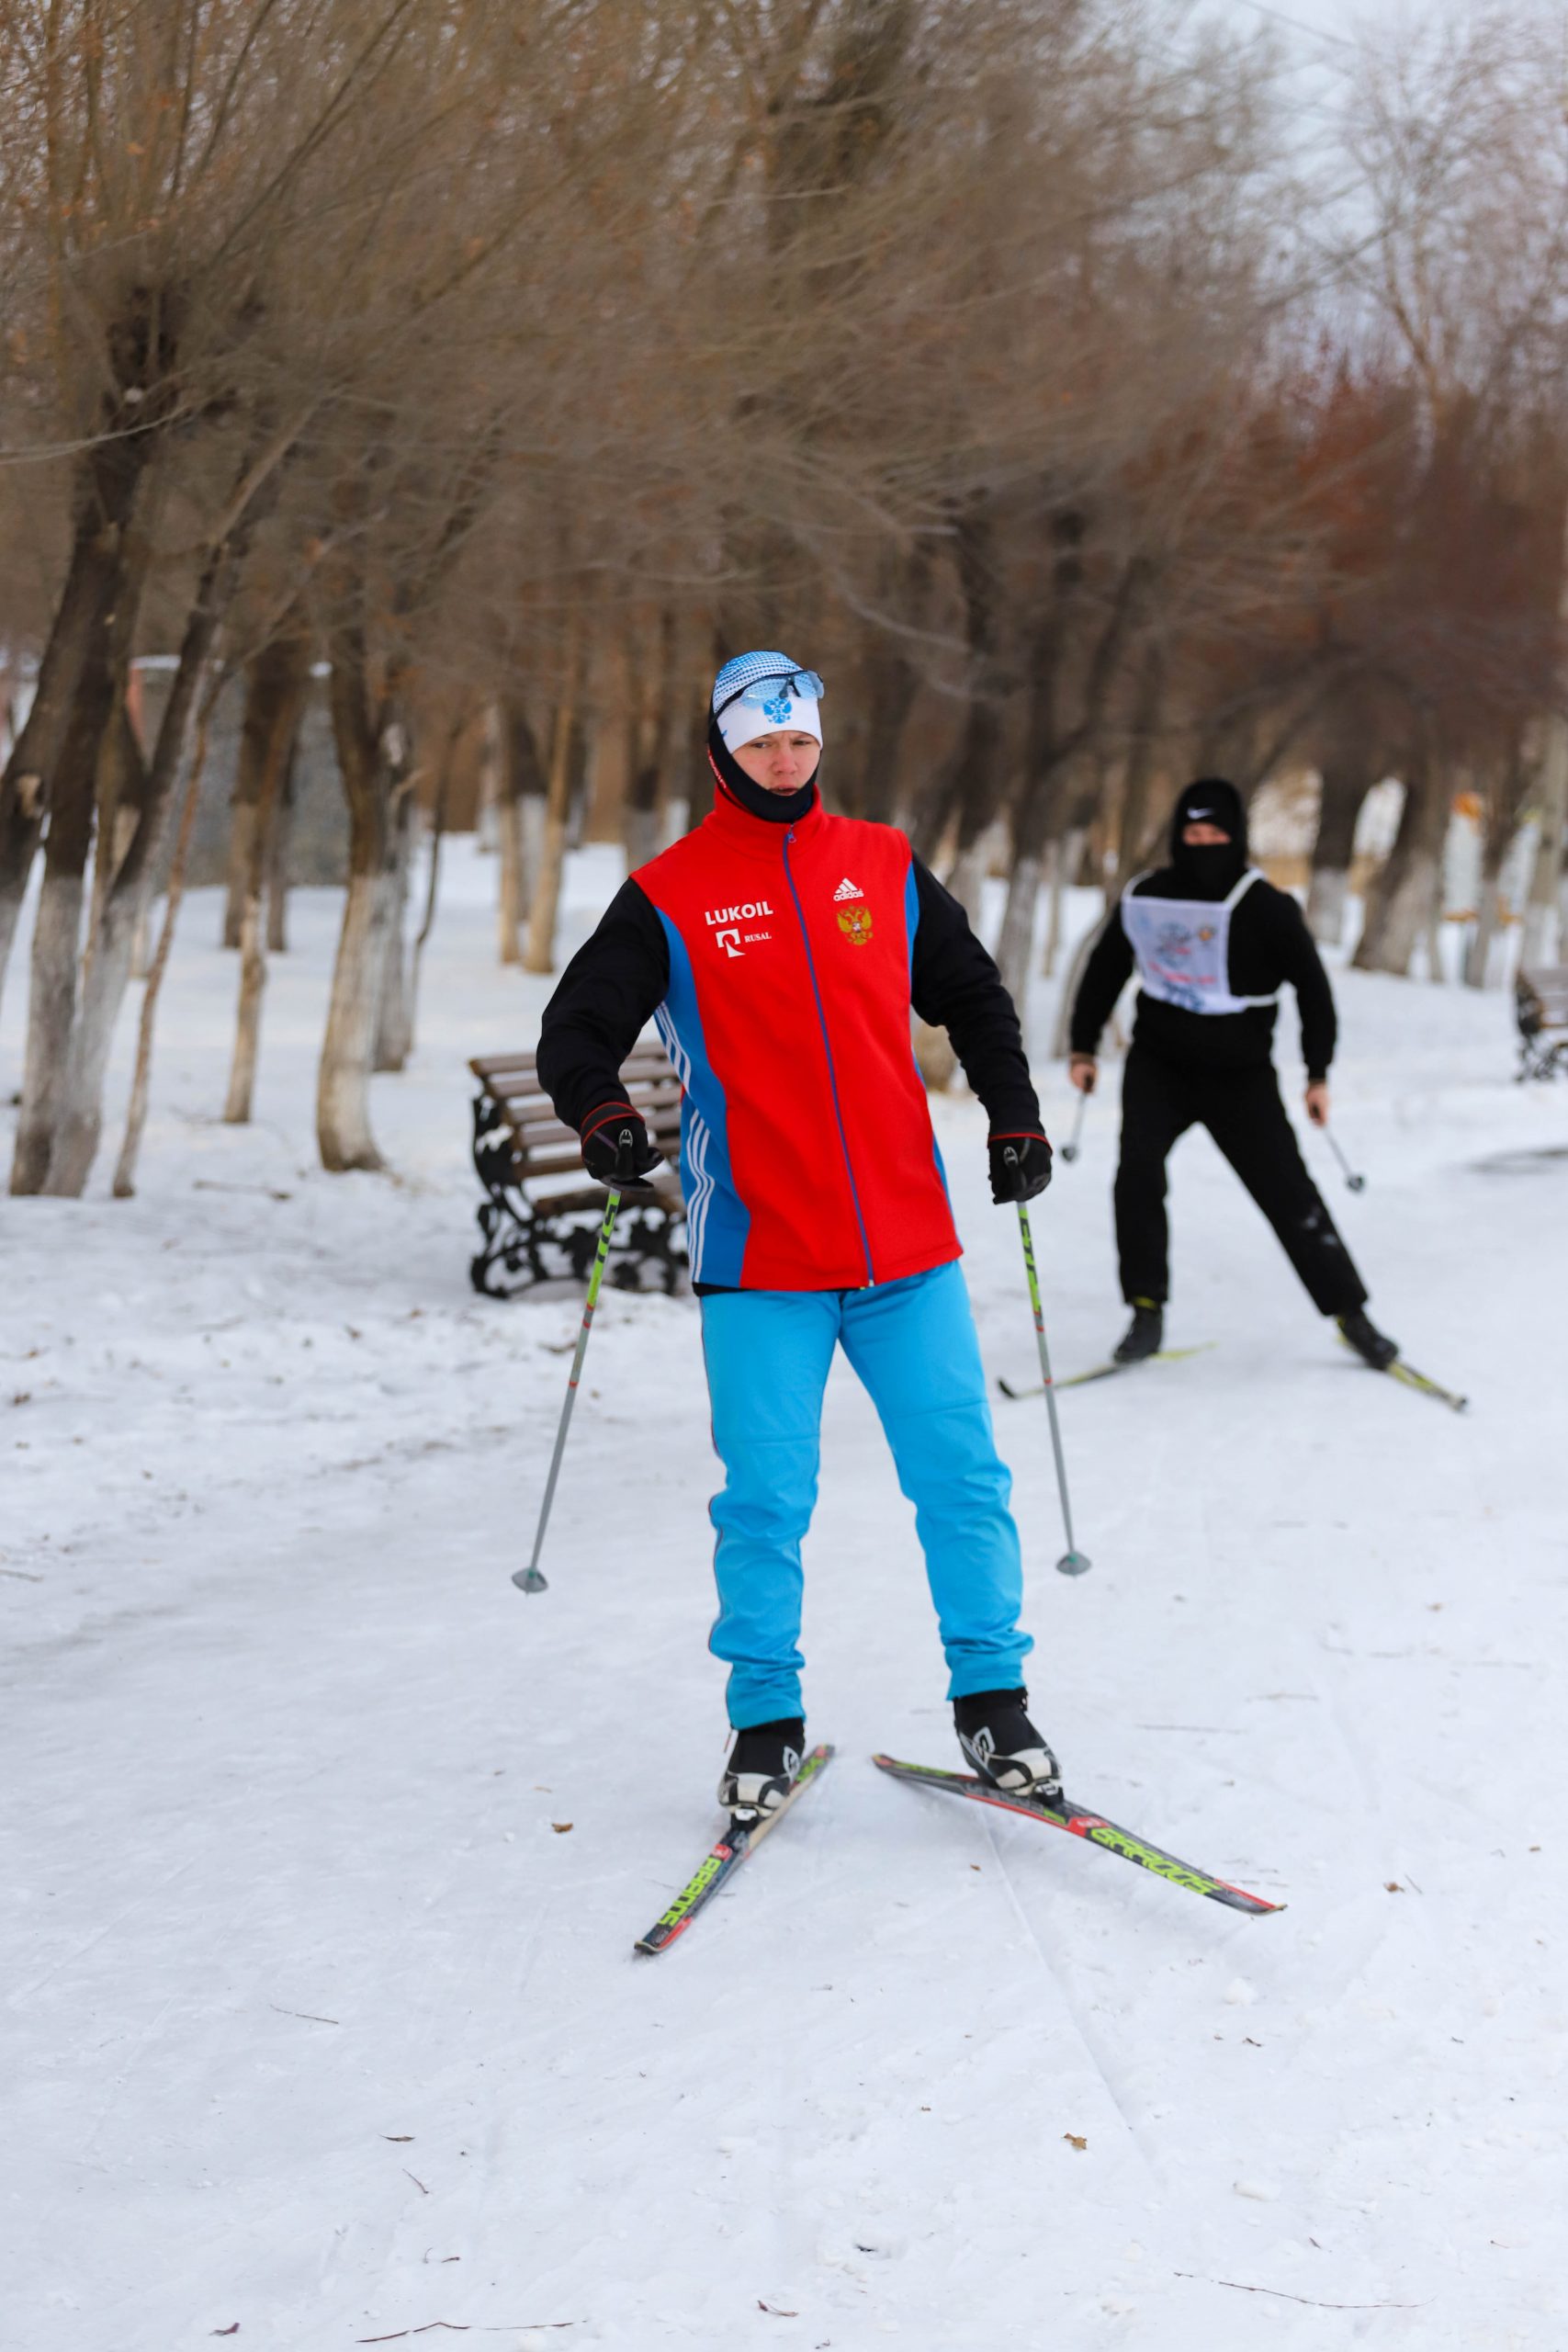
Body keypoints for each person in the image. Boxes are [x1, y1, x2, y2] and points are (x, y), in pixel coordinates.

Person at [537, 650, 1057, 1820]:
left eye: (802, 741)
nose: (785, 760)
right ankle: (765, 1719)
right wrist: (602, 1112)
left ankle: (994, 1701)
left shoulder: (881, 862)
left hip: (907, 1251)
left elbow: (973, 996)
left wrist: (1014, 1113)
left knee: (964, 1480)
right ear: (723, 751)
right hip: (761, 1257)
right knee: (767, 1500)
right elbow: (574, 1029)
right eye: (763, 743)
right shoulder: (669, 892)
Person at [1067, 776, 1397, 1369]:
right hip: (1159, 1067)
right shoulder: (1147, 897)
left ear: (1237, 837)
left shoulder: (1265, 905)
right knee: (1137, 1178)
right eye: (1192, 836)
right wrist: (1082, 1047)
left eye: (1215, 835)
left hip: (1240, 1078)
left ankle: (1352, 1315)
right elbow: (1105, 967)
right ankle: (1145, 1310)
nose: (1203, 847)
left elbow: (1313, 989)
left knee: (1287, 1192)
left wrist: (1317, 1073)